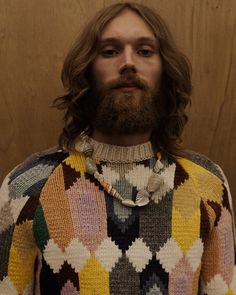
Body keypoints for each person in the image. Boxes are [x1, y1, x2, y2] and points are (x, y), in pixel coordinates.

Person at [0, 2, 235, 294]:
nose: (128, 63)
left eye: (145, 51)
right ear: (87, 69)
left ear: (166, 71)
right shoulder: (28, 187)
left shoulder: (208, 186)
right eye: (110, 51)